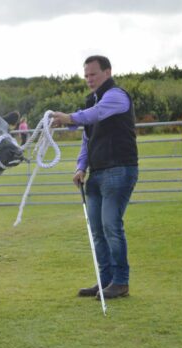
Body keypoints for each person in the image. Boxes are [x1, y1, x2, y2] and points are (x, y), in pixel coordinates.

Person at [51, 55, 138, 300]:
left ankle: (120, 282)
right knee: (97, 230)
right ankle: (106, 281)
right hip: (98, 172)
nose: (89, 79)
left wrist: (69, 118)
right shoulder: (93, 100)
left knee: (111, 225)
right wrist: (81, 166)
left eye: (93, 74)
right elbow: (88, 138)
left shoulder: (116, 96)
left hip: (119, 169)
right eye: (86, 75)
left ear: (107, 73)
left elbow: (94, 115)